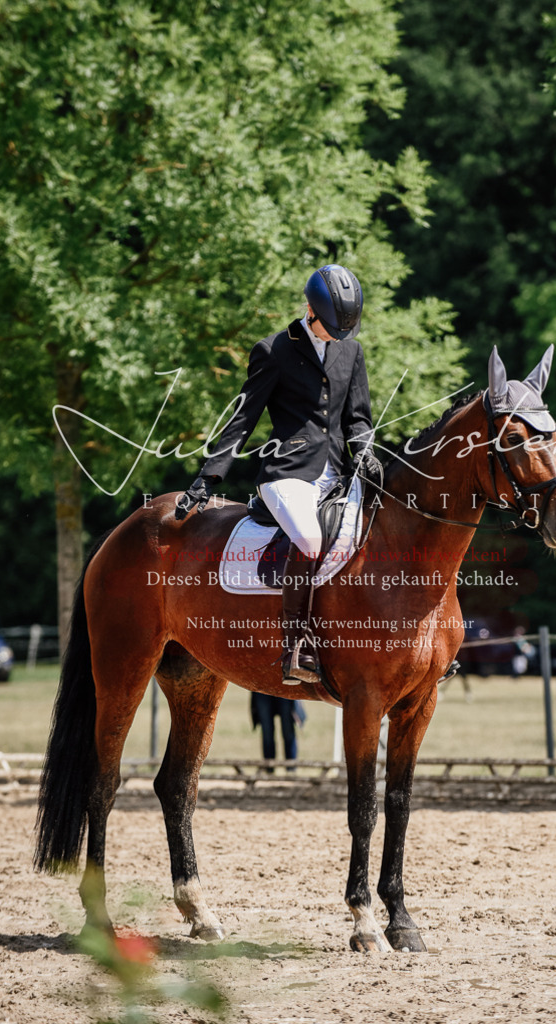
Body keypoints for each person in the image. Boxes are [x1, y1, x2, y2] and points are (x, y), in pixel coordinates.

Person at [176, 265, 382, 685]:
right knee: (308, 539)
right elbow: (243, 418)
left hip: (340, 474)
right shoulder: (274, 350)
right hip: (288, 475)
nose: (335, 338)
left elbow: (358, 418)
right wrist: (209, 478)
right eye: (328, 328)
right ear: (309, 309)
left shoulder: (351, 352)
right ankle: (296, 646)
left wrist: (366, 450)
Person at [250, 693, 306, 771]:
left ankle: (291, 769)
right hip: (262, 687)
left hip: (285, 687)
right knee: (267, 732)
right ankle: (269, 771)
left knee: (288, 730)